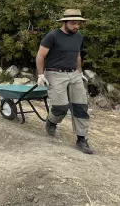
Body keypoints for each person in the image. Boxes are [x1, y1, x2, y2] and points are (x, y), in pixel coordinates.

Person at [35, 9, 93, 154]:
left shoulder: (78, 37)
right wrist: (41, 75)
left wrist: (79, 72)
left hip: (74, 74)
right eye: (73, 23)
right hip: (55, 74)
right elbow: (40, 56)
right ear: (64, 22)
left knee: (81, 106)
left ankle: (81, 139)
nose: (76, 26)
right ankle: (52, 121)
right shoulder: (52, 36)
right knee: (61, 107)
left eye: (78, 24)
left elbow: (77, 56)